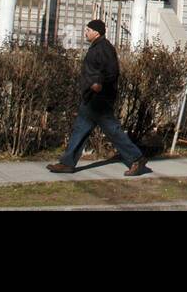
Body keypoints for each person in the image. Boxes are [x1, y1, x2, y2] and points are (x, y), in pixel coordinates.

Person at [48, 20, 146, 176]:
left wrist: (99, 84)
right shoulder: (96, 47)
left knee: (113, 131)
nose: (85, 32)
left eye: (88, 29)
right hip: (91, 98)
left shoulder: (104, 48)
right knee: (80, 130)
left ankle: (137, 158)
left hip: (100, 99)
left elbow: (112, 72)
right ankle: (67, 163)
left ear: (97, 32)